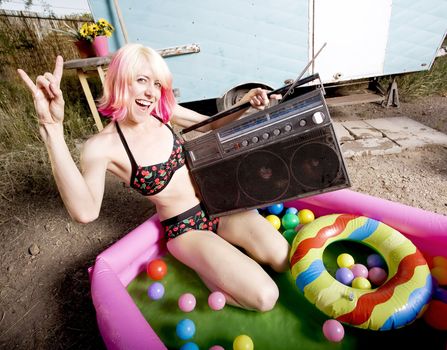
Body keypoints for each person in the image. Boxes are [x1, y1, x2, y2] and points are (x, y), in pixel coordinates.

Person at [18, 43, 290, 311]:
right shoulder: (102, 147)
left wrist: (246, 101)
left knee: (282, 258)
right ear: (120, 82)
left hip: (219, 205)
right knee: (266, 297)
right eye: (141, 80)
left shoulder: (162, 113)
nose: (151, 92)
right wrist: (52, 129)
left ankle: (223, 260)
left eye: (157, 84)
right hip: (187, 229)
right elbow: (85, 212)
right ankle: (209, 273)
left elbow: (213, 124)